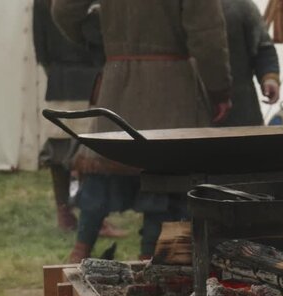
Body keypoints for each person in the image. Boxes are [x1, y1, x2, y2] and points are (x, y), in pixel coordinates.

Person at [52, 0, 232, 262]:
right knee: (165, 182)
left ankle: (81, 251)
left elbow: (63, 10)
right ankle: (151, 263)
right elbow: (208, 35)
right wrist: (219, 89)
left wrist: (98, 40)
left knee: (103, 174)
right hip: (171, 89)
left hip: (116, 82)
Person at [32, 0, 125, 237]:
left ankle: (69, 212)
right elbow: (95, 35)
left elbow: (40, 46)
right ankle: (86, 216)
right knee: (84, 150)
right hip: (87, 74)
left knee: (62, 147)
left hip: (62, 74)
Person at [219, 0, 280, 127]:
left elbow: (262, 47)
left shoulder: (240, 6)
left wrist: (269, 77)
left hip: (241, 109)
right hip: (192, 112)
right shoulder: (179, 6)